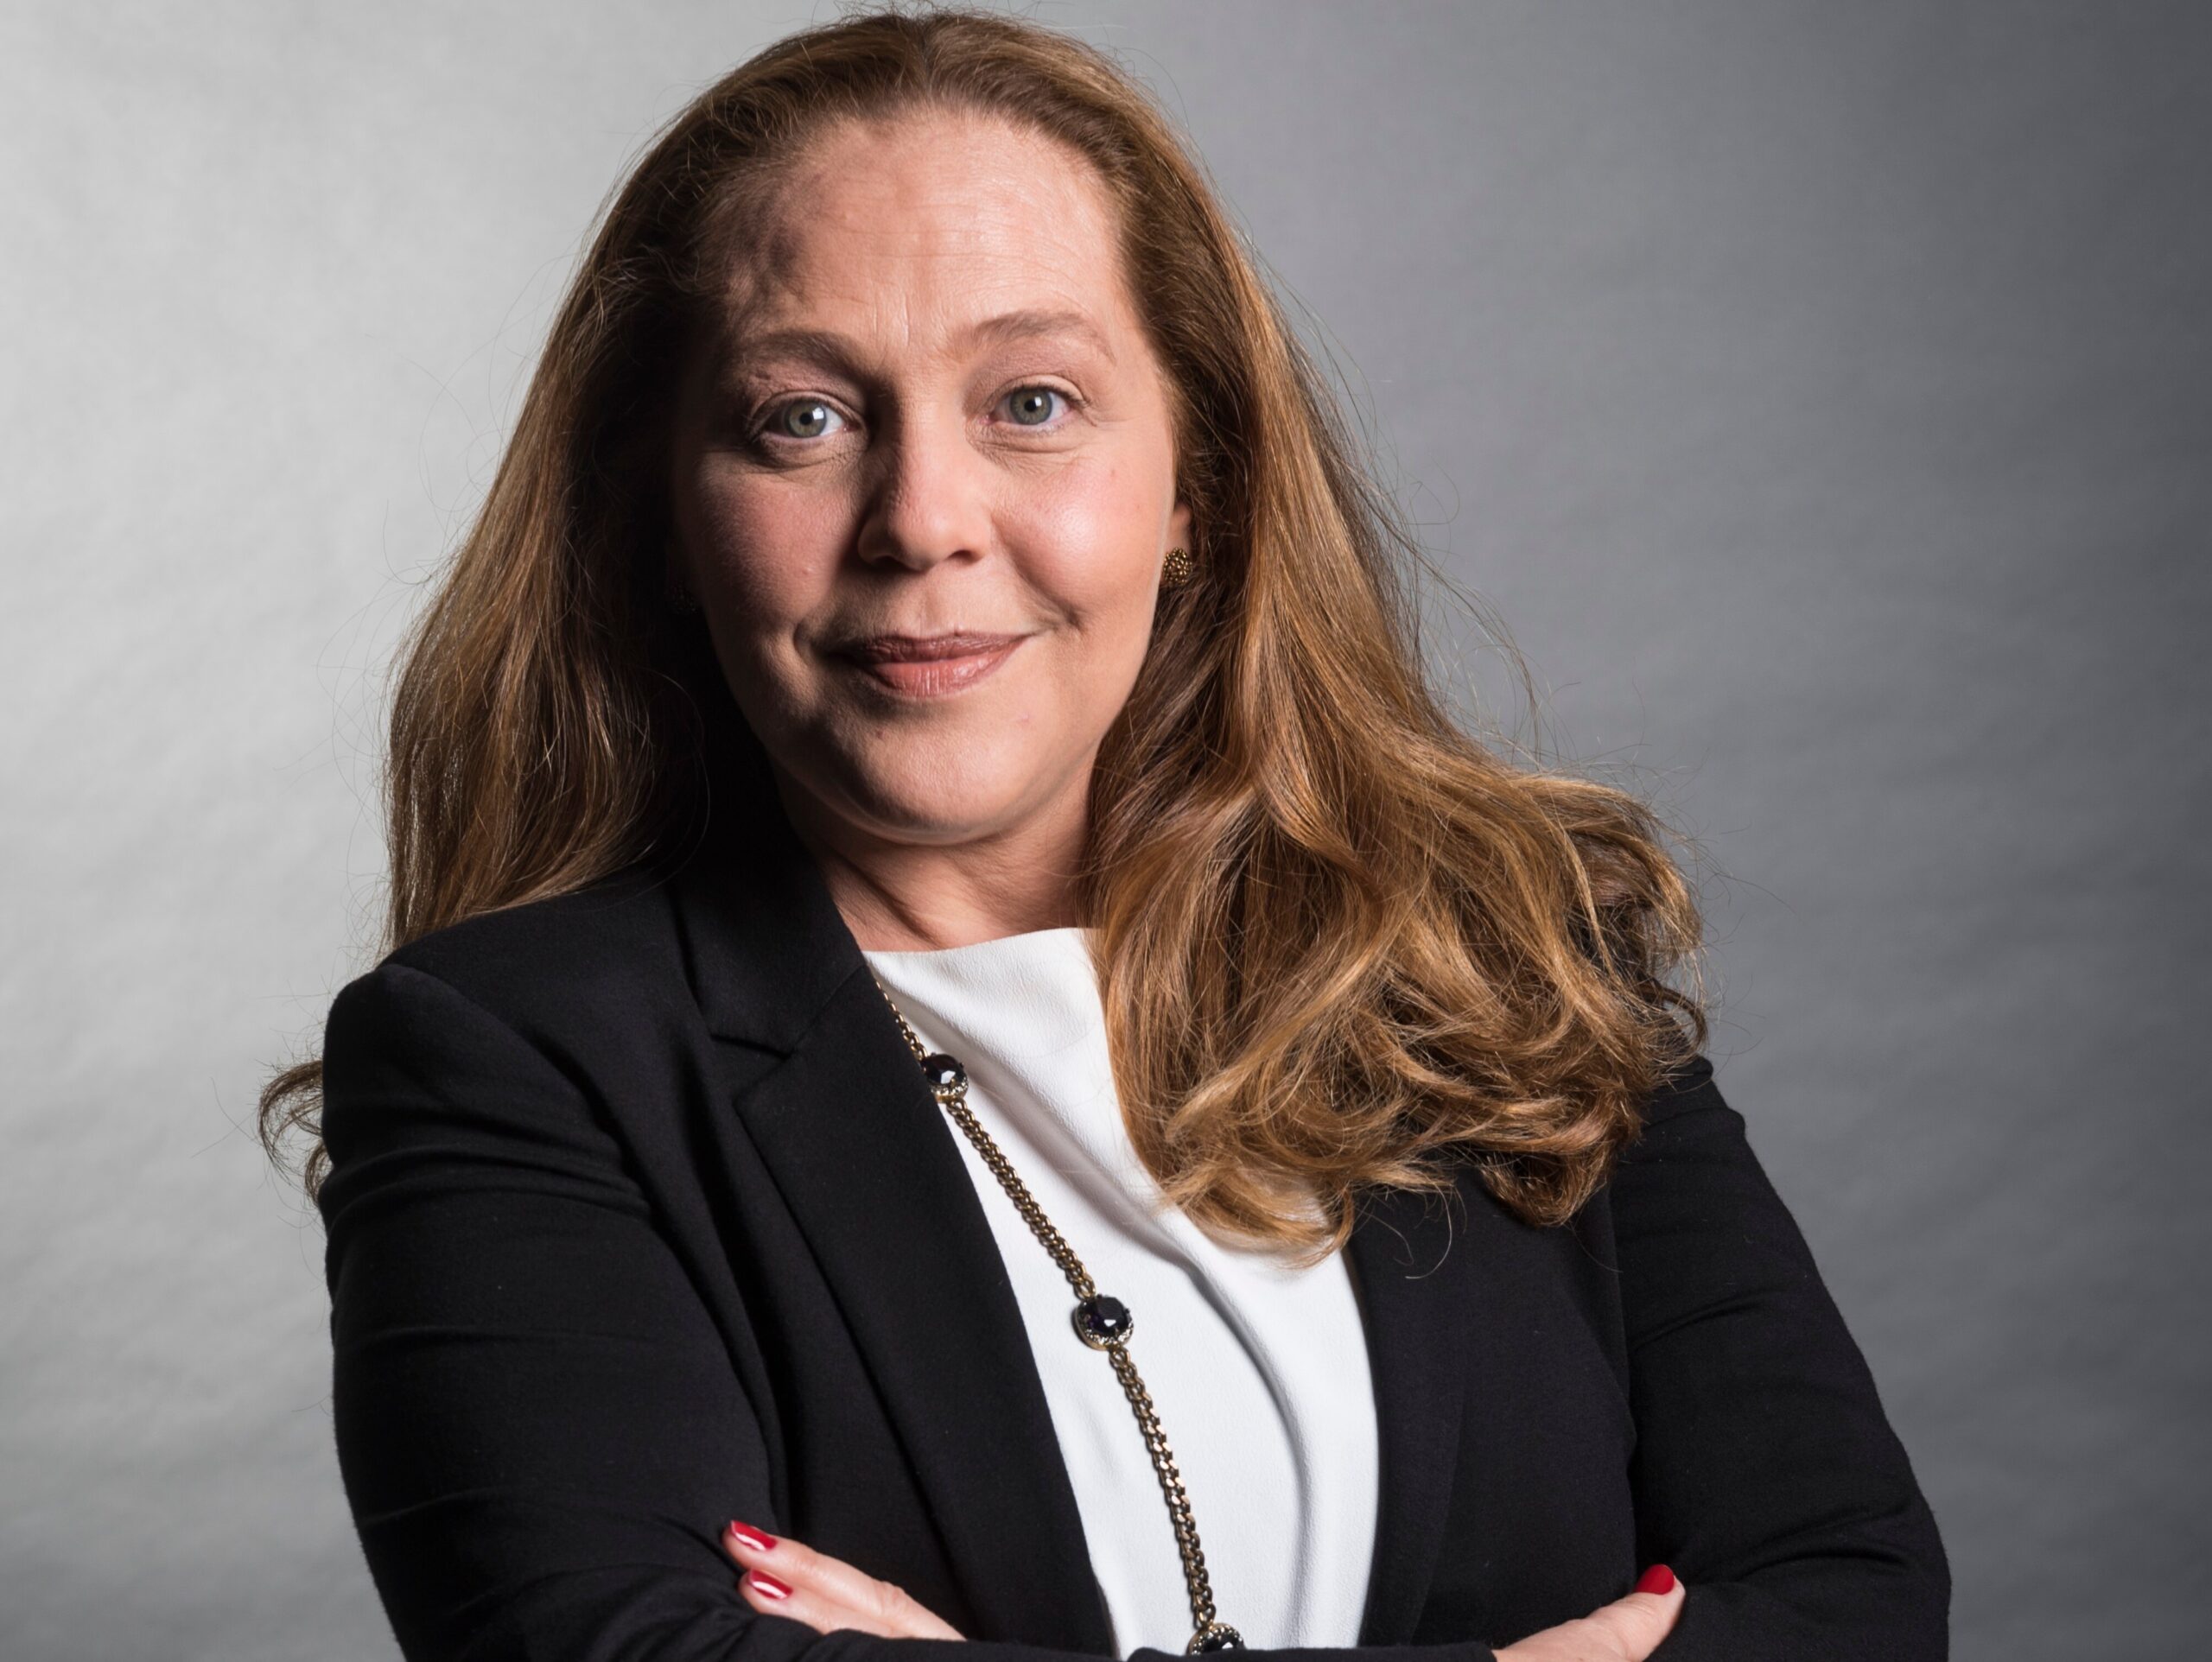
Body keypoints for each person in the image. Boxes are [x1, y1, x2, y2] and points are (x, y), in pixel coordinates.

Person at [264, 10, 1950, 1661]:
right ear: (662, 516)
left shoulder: (1512, 963)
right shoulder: (513, 1057)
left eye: (1032, 401)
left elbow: (1854, 1605)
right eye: (803, 417)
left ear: (1196, 486)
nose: (923, 520)